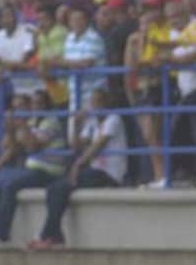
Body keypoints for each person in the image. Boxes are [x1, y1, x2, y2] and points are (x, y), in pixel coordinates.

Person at [28, 88, 126, 250]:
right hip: (93, 171)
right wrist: (77, 124)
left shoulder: (113, 120)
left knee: (61, 188)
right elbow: (76, 147)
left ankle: (48, 236)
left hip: (110, 174)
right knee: (54, 188)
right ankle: (55, 235)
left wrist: (77, 165)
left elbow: (97, 146)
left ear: (106, 104)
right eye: (92, 102)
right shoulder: (93, 121)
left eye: (98, 102)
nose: (94, 106)